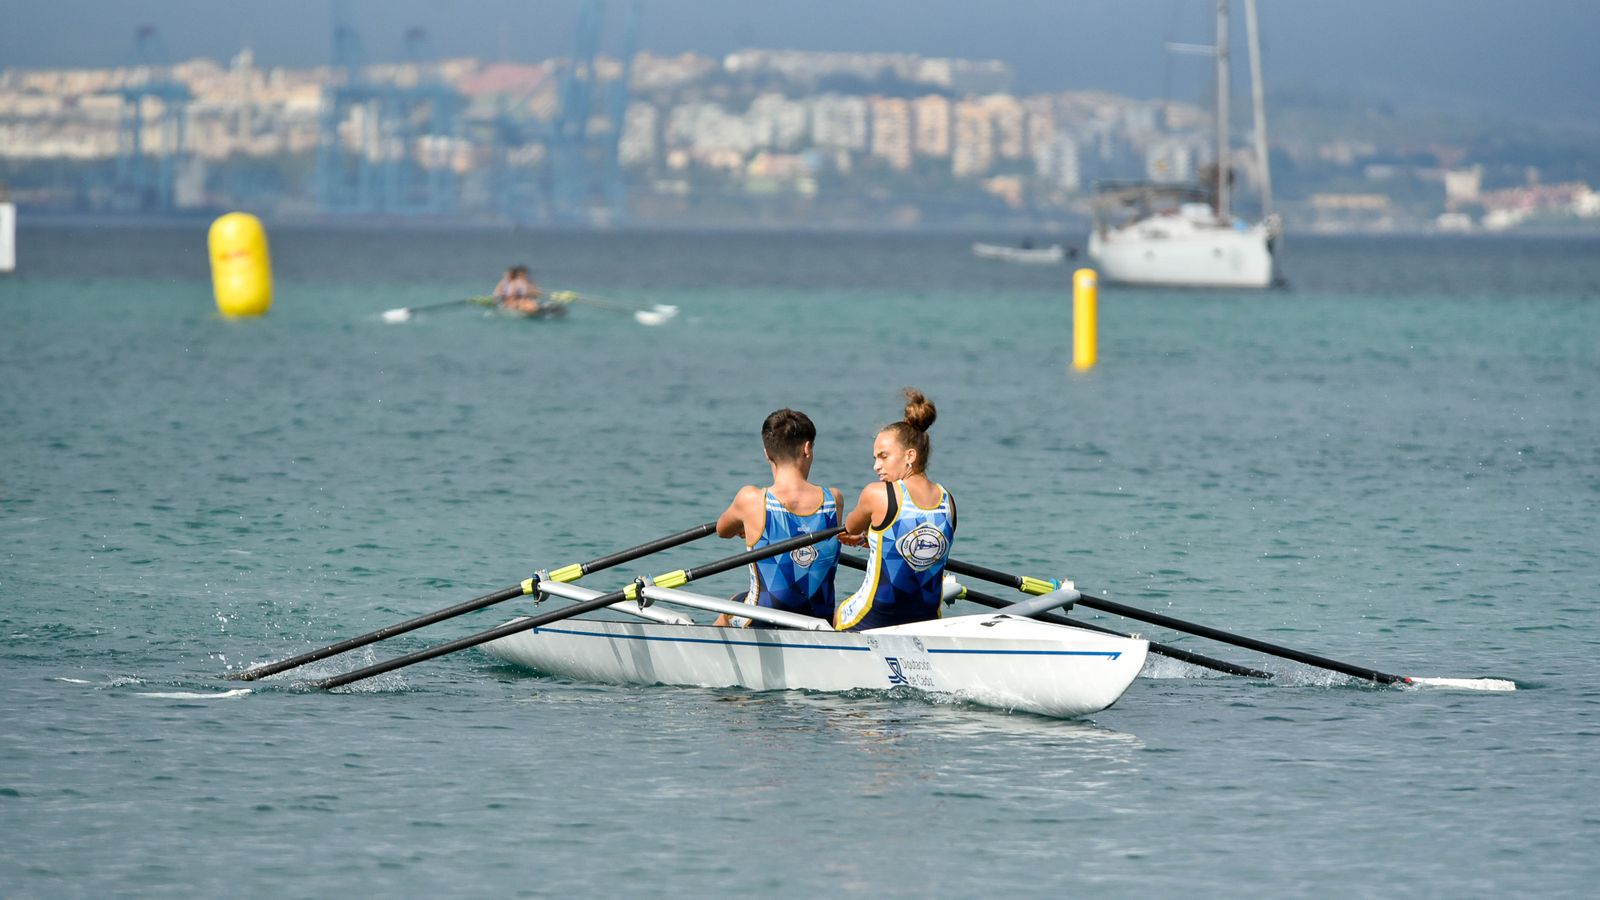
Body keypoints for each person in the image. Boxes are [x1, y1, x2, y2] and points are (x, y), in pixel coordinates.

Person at [834, 388, 955, 631]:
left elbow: (850, 528)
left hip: (873, 618)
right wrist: (871, 539)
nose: (876, 466)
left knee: (834, 612)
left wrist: (861, 535)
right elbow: (915, 540)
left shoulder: (877, 493)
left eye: (883, 456)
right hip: (927, 618)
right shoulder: (948, 501)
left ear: (910, 455)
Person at [713, 408, 844, 627]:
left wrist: (746, 524)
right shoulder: (834, 499)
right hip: (818, 621)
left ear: (767, 453)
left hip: (762, 620)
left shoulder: (751, 499)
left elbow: (722, 530)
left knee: (732, 604)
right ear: (807, 448)